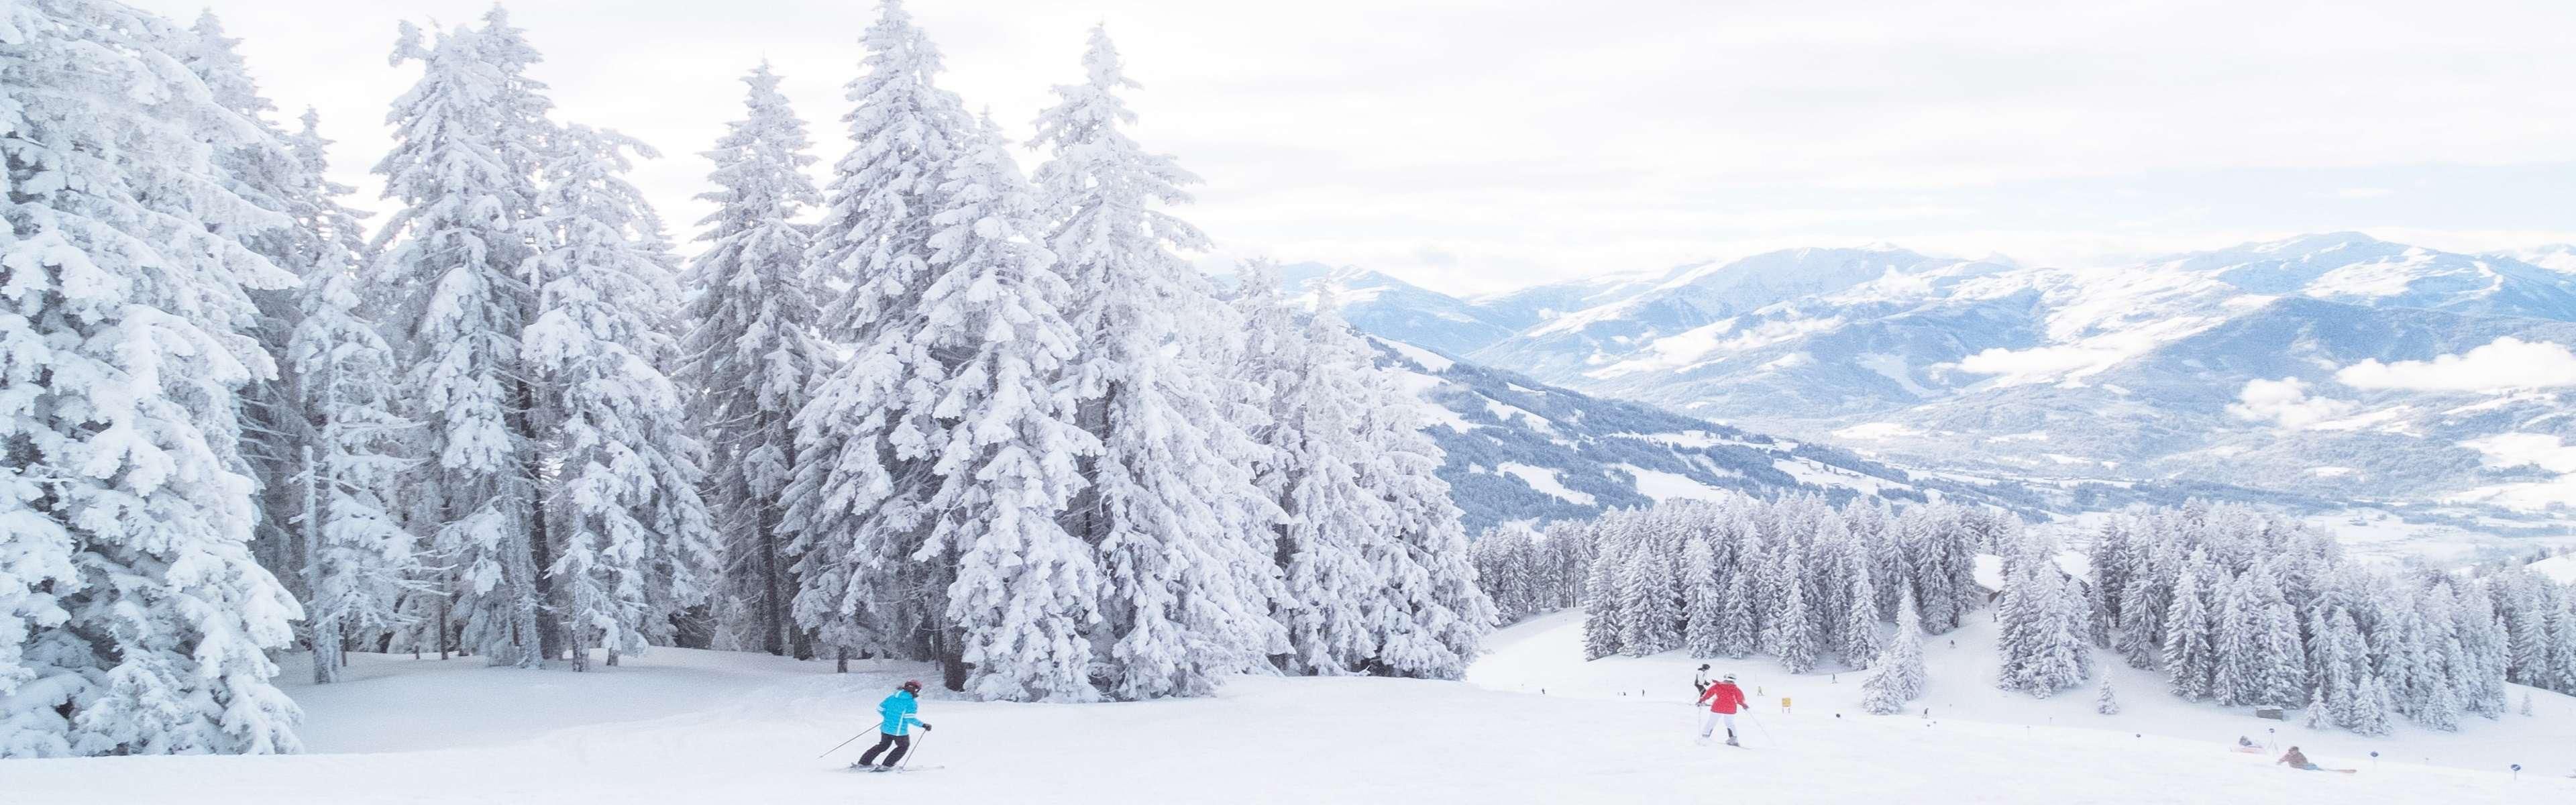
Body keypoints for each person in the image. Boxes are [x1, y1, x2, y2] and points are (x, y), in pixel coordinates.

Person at [855, 680, 933, 770]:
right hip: (899, 731)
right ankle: (887, 765)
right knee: (903, 746)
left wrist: (889, 717)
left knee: (883, 746)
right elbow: (909, 718)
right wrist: (923, 725)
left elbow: (880, 709)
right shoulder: (911, 703)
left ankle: (864, 762)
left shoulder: (892, 697)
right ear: (916, 690)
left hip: (886, 728)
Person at [1695, 674, 1748, 746]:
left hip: (1718, 707)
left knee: (1711, 722)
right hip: (1730, 708)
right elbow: (1740, 699)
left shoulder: (1717, 686)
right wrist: (1744, 705)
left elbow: (1708, 694)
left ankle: (1705, 737)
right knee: (1730, 723)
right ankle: (1733, 740)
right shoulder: (1736, 689)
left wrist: (1701, 701)